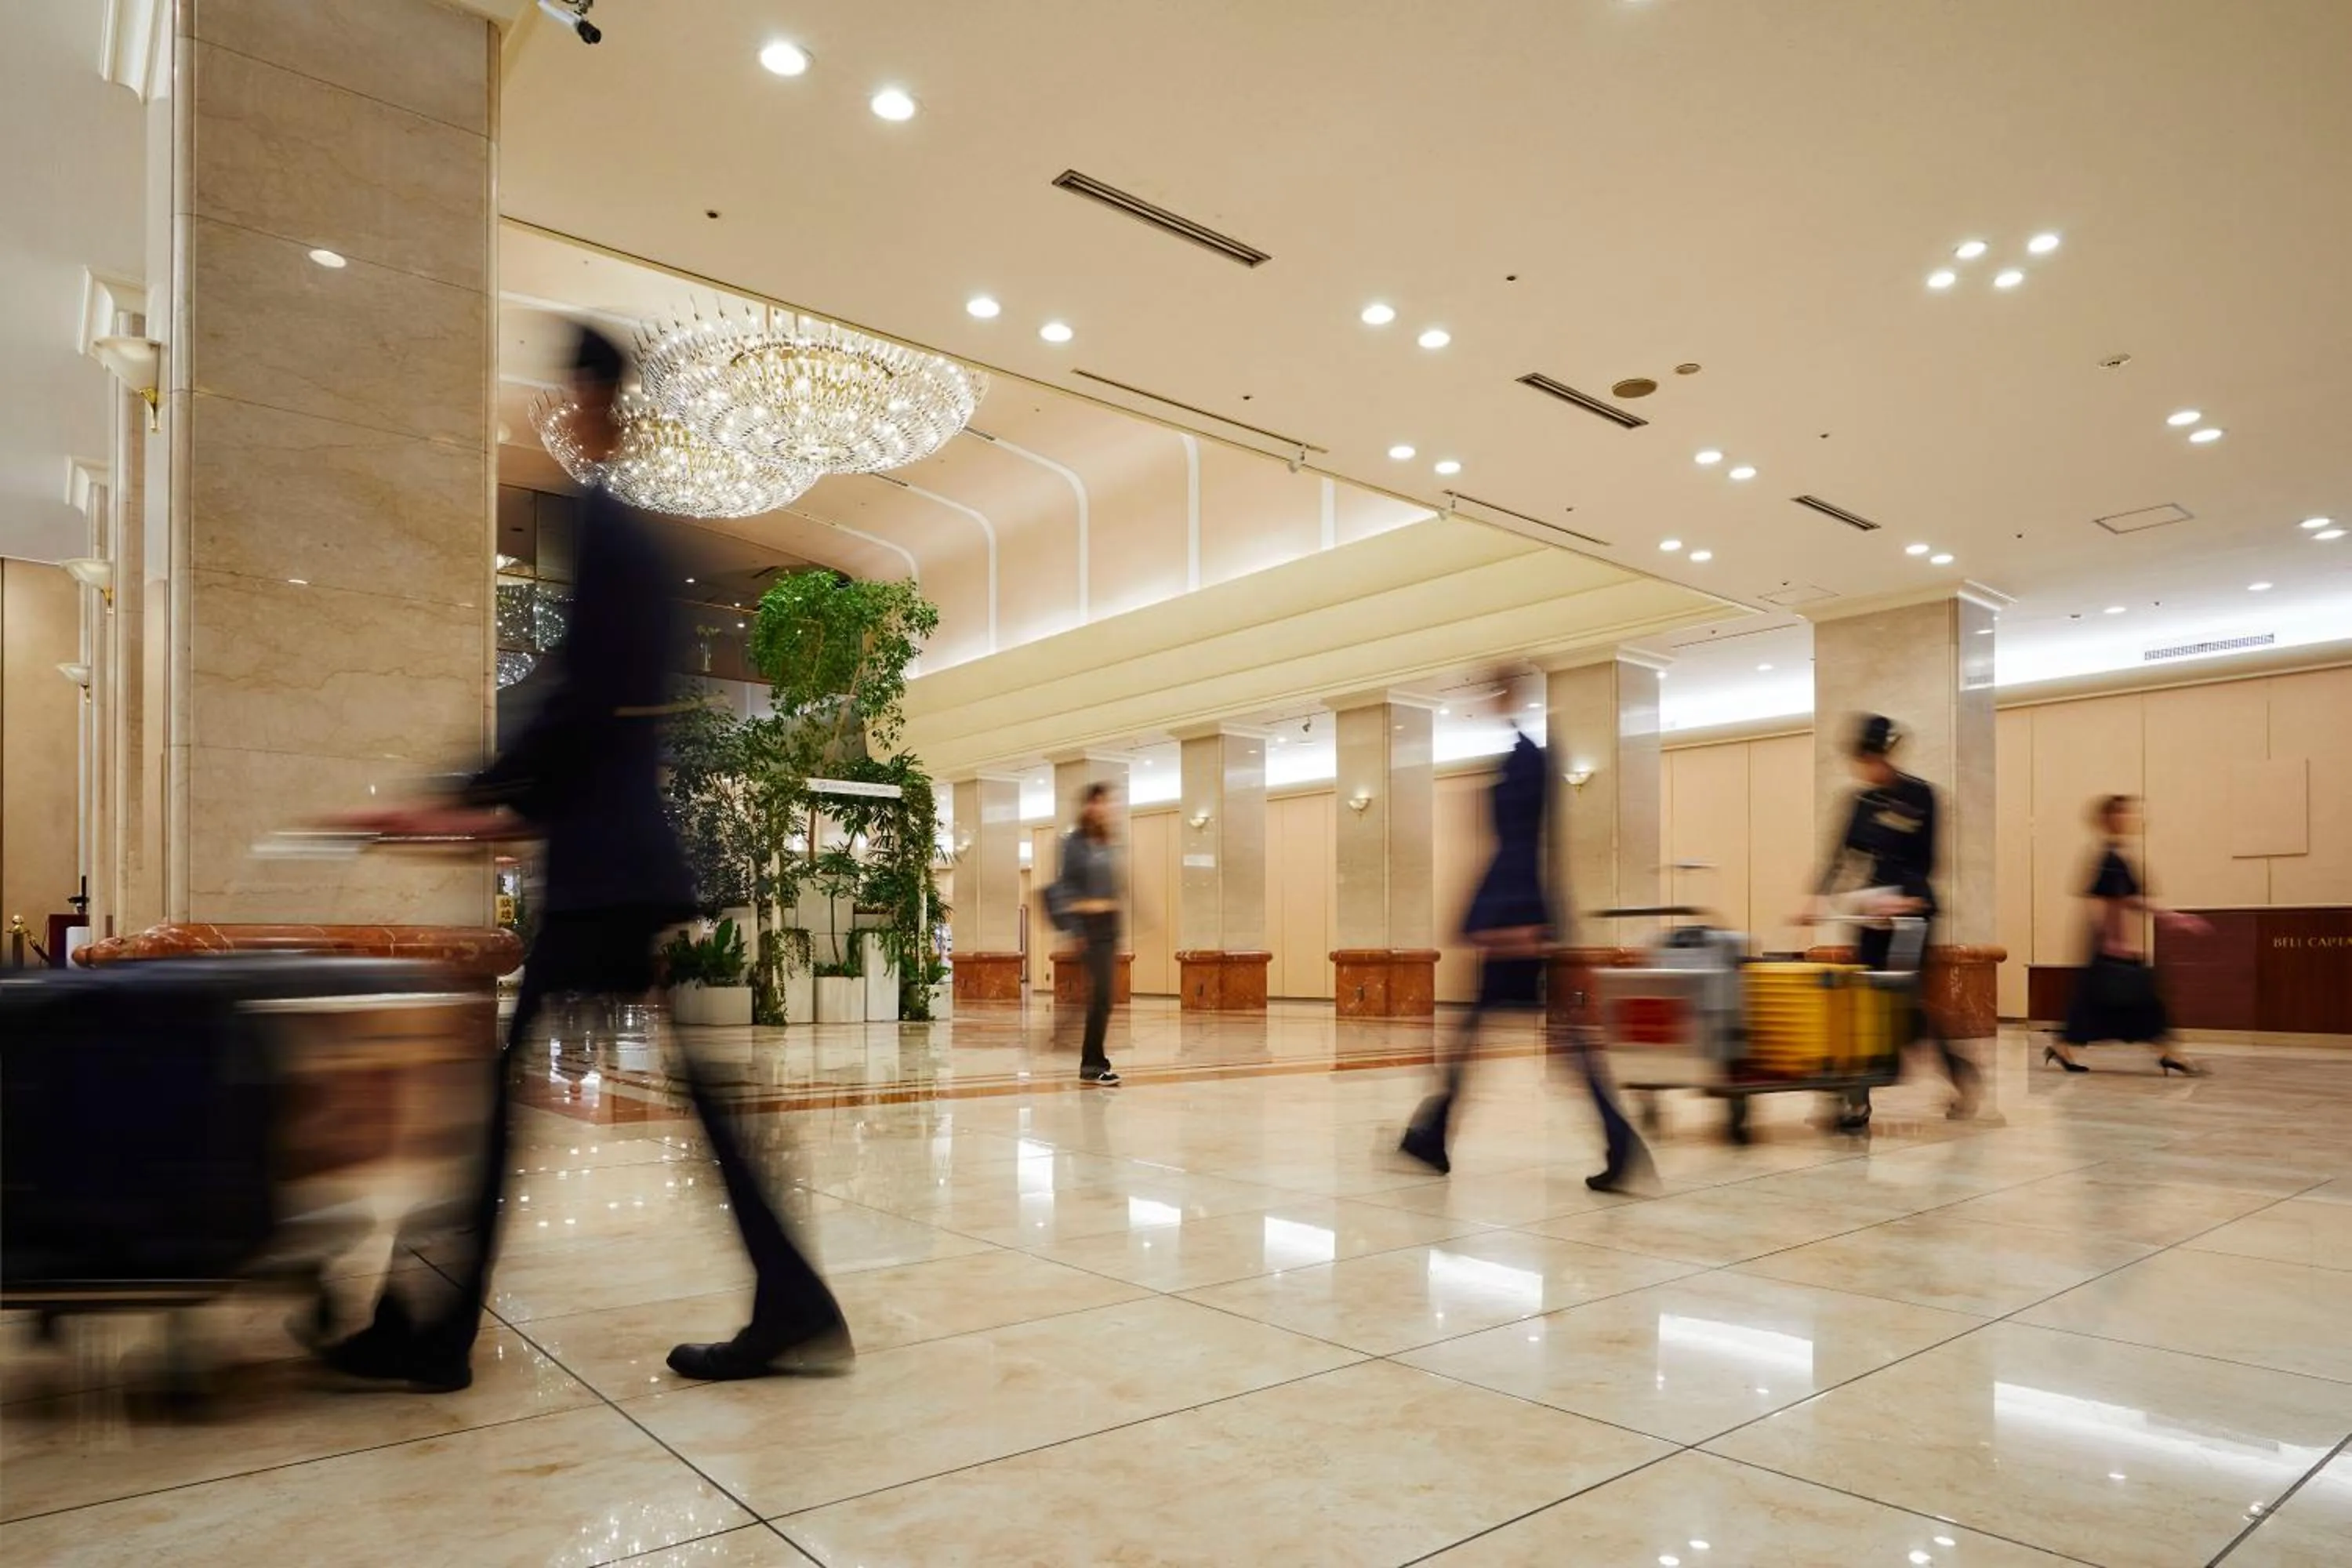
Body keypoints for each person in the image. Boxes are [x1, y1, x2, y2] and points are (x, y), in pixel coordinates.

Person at [322, 325, 848, 1388]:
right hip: (621, 863)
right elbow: (592, 704)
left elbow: (579, 702)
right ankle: (792, 1300)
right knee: (669, 1099)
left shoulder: (611, 531)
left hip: (605, 868)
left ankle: (433, 1332)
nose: (562, 413)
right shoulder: (641, 540)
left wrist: (466, 797)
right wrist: (489, 797)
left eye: (569, 394)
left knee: (498, 1106)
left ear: (593, 398)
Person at [1399, 729, 1650, 1190]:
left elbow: (1518, 847)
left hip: (1515, 920)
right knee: (1546, 1040)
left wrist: (1505, 920)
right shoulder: (1527, 760)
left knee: (1516, 1039)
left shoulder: (1525, 764)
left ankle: (1433, 1132)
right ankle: (1434, 1131)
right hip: (1522, 916)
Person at [1797, 713, 1979, 1129]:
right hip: (1871, 912)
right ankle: (1855, 1099)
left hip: (1912, 915)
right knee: (1862, 1001)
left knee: (1907, 1003)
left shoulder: (1921, 796)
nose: (1868, 767)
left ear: (1887, 754)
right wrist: (1816, 897)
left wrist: (1906, 900)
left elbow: (1929, 861)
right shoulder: (1860, 803)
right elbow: (1840, 857)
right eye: (1862, 760)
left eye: (1873, 758)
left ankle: (1960, 1073)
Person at [2049, 793, 2212, 1074]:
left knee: (2103, 1003)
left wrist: (2170, 918)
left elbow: (2128, 900)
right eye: (2123, 813)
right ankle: (2168, 1053)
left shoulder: (2115, 856)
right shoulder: (2109, 858)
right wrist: (2116, 942)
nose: (2130, 818)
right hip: (2112, 948)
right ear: (2108, 819)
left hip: (2111, 949)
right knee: (2140, 1001)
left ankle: (2064, 1047)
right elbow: (2107, 904)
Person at [1054, 782, 1123, 1086]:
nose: (1103, 808)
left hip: (1109, 925)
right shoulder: (1074, 843)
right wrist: (1076, 928)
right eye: (1097, 802)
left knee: (1103, 997)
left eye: (1106, 802)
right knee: (1101, 996)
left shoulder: (1107, 842)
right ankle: (1093, 1064)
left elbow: (1114, 886)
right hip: (1088, 926)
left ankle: (1091, 1060)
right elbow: (1065, 886)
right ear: (1087, 806)